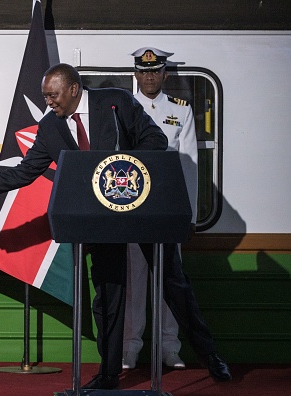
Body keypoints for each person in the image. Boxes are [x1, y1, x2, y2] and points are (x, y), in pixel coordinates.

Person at [0, 63, 169, 390]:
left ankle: (210, 358)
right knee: (107, 297)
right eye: (44, 97)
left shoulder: (114, 103)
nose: (48, 102)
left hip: (141, 213)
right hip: (95, 223)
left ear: (73, 89)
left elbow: (156, 139)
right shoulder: (50, 127)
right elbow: (24, 173)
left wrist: (128, 172)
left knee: (174, 287)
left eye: (52, 95)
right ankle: (109, 374)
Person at [122, 47, 197, 370]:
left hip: (167, 211)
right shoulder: (124, 107)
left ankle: (170, 348)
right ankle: (129, 349)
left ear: (164, 74)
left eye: (155, 71)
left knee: (169, 281)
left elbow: (189, 165)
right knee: (134, 284)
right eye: (143, 71)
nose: (149, 76)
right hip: (132, 211)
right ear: (136, 74)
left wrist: (189, 215)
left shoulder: (181, 111)